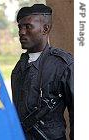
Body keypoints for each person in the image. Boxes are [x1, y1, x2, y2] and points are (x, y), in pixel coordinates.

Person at [11, 4, 73, 140]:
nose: (21, 32)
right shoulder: (18, 68)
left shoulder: (63, 64)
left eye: (28, 26)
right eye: (20, 27)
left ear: (45, 28)